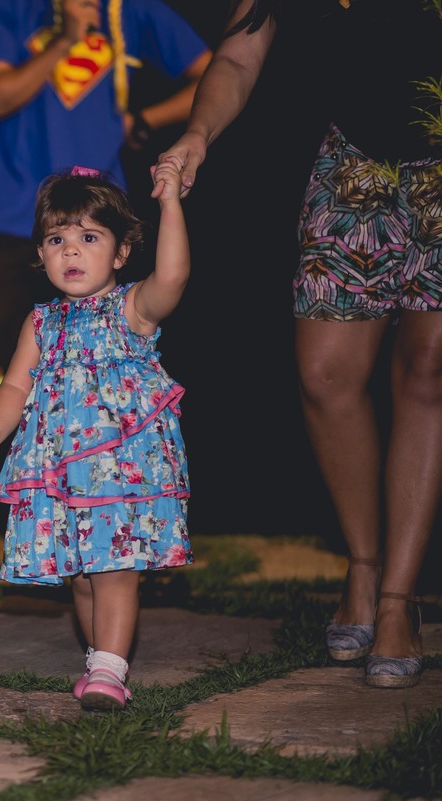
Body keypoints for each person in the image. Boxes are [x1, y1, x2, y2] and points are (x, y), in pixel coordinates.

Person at [154, 0, 442, 689]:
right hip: (355, 165)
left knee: (429, 373)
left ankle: (398, 599)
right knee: (325, 374)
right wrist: (197, 132)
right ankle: (363, 563)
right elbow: (237, 55)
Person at [0, 0, 210, 554]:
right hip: (13, 208)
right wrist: (68, 37)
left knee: (121, 339)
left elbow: (213, 71)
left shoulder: (134, 11)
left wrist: (142, 121)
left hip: (97, 214)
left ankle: (113, 493)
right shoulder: (5, 10)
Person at [0, 162, 193, 711]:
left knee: (113, 568)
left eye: (89, 238)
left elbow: (174, 277)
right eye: (57, 239)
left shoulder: (132, 309)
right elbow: (16, 384)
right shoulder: (40, 322)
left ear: (119, 254)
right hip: (61, 471)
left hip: (120, 470)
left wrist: (171, 205)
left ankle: (111, 669)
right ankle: (99, 659)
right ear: (40, 255)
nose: (71, 251)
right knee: (82, 575)